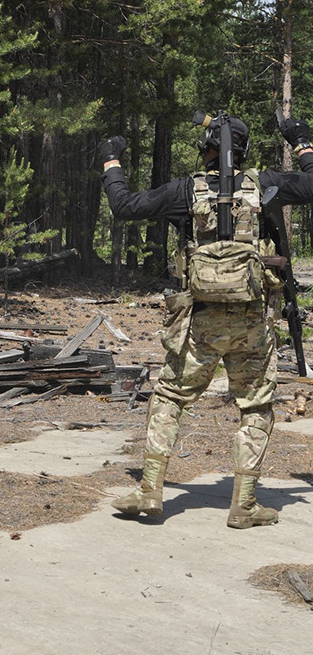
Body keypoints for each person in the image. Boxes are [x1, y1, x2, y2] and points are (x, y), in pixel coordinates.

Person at [98, 113, 313, 528]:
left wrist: (111, 160)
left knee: (170, 397)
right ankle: (244, 505)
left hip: (199, 323)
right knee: (256, 406)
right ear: (244, 150)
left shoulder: (184, 190)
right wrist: (302, 142)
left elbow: (124, 206)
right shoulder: (266, 185)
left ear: (207, 148)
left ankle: (150, 490)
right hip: (252, 323)